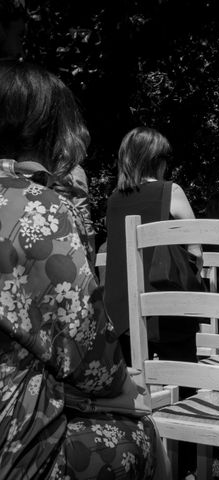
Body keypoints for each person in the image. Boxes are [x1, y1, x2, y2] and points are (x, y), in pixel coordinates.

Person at [0, 59, 165, 479]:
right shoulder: (40, 207)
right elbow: (88, 353)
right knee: (143, 433)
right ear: (42, 129)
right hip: (15, 449)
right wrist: (122, 387)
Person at [104, 127, 203, 365]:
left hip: (121, 316)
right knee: (184, 379)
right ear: (156, 161)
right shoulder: (170, 191)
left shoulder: (113, 200)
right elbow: (196, 251)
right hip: (165, 311)